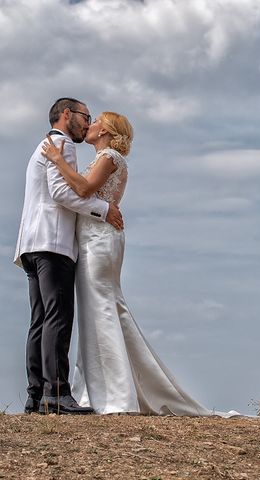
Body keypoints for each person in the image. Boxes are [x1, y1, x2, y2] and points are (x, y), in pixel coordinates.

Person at [41, 111, 232, 416]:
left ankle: (116, 393)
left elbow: (85, 190)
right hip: (93, 239)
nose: (89, 125)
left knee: (103, 308)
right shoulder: (102, 157)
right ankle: (99, 388)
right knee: (98, 310)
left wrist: (57, 160)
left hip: (99, 242)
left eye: (96, 120)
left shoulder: (110, 157)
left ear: (106, 130)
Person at [14, 97, 123, 415]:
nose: (88, 123)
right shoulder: (63, 145)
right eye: (85, 116)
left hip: (32, 244)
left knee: (40, 320)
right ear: (66, 114)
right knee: (57, 318)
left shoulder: (44, 145)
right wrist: (104, 209)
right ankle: (57, 394)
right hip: (53, 242)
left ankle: (37, 395)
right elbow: (61, 193)